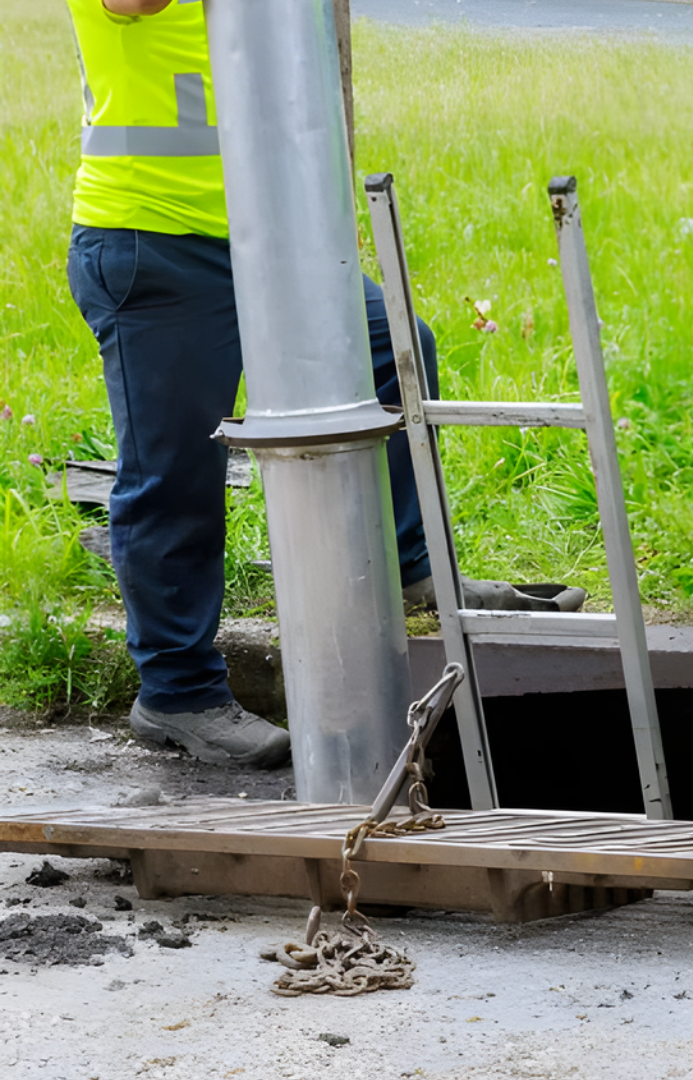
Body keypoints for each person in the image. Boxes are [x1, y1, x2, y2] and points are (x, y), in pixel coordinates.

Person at [63, 0, 571, 769]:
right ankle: (176, 693)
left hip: (271, 235)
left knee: (395, 353)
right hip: (155, 244)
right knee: (175, 472)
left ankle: (407, 571)